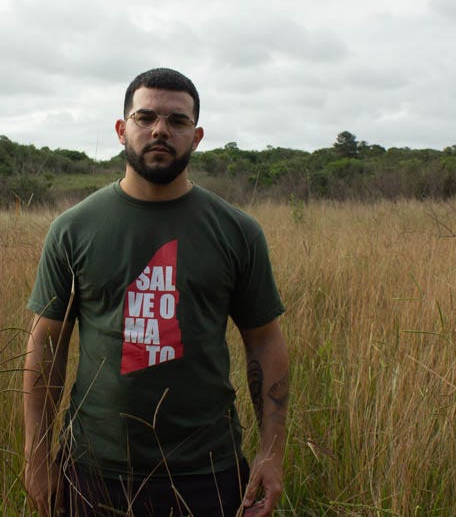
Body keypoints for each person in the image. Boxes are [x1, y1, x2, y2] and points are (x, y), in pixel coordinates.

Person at [23, 68, 289, 516]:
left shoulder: (236, 231)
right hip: (95, 470)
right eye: (145, 117)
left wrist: (271, 452)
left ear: (197, 135)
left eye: (177, 121)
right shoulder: (74, 229)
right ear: (121, 129)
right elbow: (46, 343)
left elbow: (265, 341)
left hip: (208, 471)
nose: (160, 130)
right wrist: (36, 457)